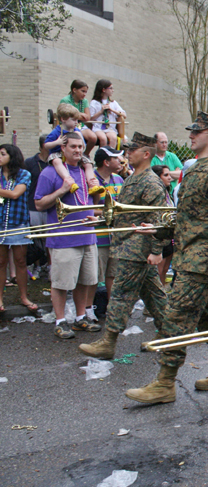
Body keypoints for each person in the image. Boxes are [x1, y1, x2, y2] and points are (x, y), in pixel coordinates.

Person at [125, 112, 208, 404]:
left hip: (202, 260)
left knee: (175, 318)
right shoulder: (192, 170)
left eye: (197, 132)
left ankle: (165, 382)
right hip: (187, 255)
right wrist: (160, 236)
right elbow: (184, 217)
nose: (191, 135)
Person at [78, 133, 170, 359]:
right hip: (129, 245)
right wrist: (101, 219)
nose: (128, 153)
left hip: (137, 248)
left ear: (146, 154)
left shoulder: (150, 182)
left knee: (120, 295)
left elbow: (160, 220)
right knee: (154, 296)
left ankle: (108, 342)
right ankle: (170, 336)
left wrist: (157, 251)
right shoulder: (130, 179)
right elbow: (126, 214)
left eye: (133, 149)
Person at [34, 132, 101, 339]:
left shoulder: (86, 171)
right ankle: (61, 321)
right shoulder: (50, 173)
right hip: (64, 238)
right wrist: (62, 189)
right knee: (62, 283)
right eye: (73, 147)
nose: (78, 151)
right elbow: (39, 204)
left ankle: (81, 318)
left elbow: (95, 201)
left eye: (81, 147)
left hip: (87, 236)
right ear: (62, 148)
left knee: (85, 281)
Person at [0, 144, 37, 314]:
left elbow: (16, 194)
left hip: (19, 223)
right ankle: (0, 299)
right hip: (1, 224)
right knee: (1, 263)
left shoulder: (24, 174)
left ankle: (24, 296)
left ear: (12, 156)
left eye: (2, 154)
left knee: (21, 262)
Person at [44, 104, 102, 196]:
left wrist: (80, 138)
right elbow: (46, 145)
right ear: (63, 119)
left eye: (77, 120)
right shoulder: (57, 131)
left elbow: (83, 147)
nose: (76, 122)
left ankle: (92, 184)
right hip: (58, 153)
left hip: (74, 154)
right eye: (74, 120)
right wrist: (57, 142)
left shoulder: (77, 130)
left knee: (88, 164)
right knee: (57, 161)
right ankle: (69, 181)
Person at [92, 146, 125, 302]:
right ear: (106, 162)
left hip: (115, 236)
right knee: (95, 276)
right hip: (99, 236)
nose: (121, 161)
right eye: (116, 158)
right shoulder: (91, 179)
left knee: (113, 274)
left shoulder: (119, 180)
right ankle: (90, 308)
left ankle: (113, 307)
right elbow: (88, 209)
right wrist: (109, 213)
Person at [23, 134, 50, 275]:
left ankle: (49, 266)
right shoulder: (30, 162)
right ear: (43, 145)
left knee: (49, 238)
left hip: (50, 207)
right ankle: (37, 265)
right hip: (33, 206)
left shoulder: (54, 163)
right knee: (35, 238)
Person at [151, 164, 176, 286]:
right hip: (159, 236)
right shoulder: (155, 193)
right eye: (165, 175)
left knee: (165, 270)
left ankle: (163, 295)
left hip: (169, 237)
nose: (169, 178)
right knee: (158, 271)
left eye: (169, 174)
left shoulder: (167, 192)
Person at [59, 79, 98, 155]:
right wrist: (80, 114)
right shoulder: (65, 100)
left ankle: (85, 155)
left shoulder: (85, 101)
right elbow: (66, 114)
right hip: (68, 125)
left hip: (80, 125)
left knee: (93, 138)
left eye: (86, 92)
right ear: (74, 90)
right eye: (82, 91)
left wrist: (77, 115)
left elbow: (87, 117)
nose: (84, 94)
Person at [88, 80, 126, 148]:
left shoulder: (113, 103)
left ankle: (110, 156)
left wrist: (112, 110)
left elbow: (124, 115)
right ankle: (102, 157)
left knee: (113, 138)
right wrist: (101, 111)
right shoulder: (94, 102)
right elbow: (90, 118)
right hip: (98, 128)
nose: (113, 90)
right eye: (111, 88)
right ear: (104, 90)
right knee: (103, 139)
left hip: (110, 128)